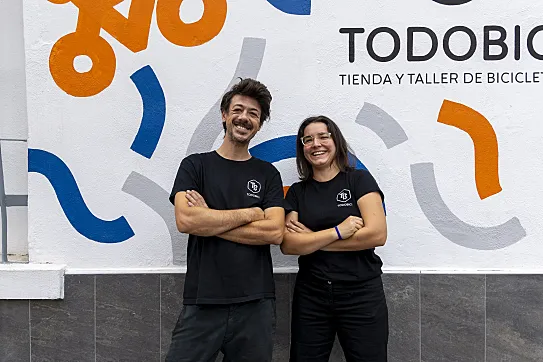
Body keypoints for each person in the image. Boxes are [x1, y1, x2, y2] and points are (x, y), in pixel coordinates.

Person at [166, 78, 285, 362]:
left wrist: (209, 219)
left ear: (259, 124)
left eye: (253, 114)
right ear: (224, 115)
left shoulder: (268, 174)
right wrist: (251, 213)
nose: (244, 118)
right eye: (238, 110)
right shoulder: (195, 166)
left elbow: (274, 232)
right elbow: (186, 220)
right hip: (202, 302)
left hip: (255, 305)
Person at [281, 115, 389, 362]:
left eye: (323, 136)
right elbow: (288, 244)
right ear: (302, 149)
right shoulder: (298, 192)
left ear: (336, 141)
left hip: (361, 293)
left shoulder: (359, 180)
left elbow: (377, 234)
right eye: (307, 140)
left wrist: (313, 241)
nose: (315, 144)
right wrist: (337, 232)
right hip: (312, 295)